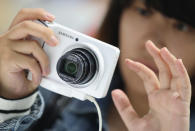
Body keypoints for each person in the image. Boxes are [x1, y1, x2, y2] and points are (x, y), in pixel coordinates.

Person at [0, 0, 194, 131]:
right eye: (143, 11)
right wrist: (9, 98)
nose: (152, 39)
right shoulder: (47, 98)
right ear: (118, 15)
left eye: (181, 25)